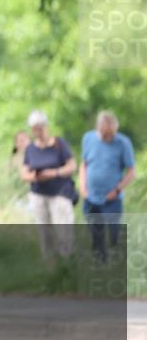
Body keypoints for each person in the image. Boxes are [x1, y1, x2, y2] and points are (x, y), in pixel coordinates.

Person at [80, 111, 136, 263]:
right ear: (98, 128)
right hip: (91, 196)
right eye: (105, 135)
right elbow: (84, 164)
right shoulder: (88, 138)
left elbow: (131, 172)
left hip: (112, 198)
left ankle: (119, 257)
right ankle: (101, 261)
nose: (108, 138)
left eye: (111, 135)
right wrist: (82, 186)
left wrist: (117, 189)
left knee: (113, 234)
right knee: (95, 232)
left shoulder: (123, 143)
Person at [21, 110, 77, 261]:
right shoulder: (30, 149)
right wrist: (34, 176)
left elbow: (72, 166)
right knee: (44, 233)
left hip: (59, 192)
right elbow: (24, 173)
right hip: (38, 194)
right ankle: (50, 267)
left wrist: (54, 172)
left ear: (46, 126)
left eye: (40, 128)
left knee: (63, 231)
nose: (38, 132)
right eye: (35, 129)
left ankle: (67, 263)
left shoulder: (60, 144)